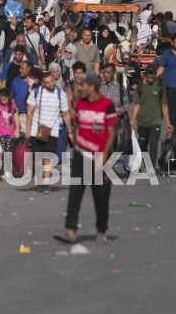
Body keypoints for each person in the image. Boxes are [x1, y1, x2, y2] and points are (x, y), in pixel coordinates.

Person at [55, 74, 118, 245]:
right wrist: (75, 149)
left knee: (101, 196)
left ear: (92, 87)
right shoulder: (81, 104)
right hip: (81, 156)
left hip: (100, 158)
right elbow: (77, 127)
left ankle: (101, 231)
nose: (80, 88)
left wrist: (104, 157)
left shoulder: (107, 106)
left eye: (83, 85)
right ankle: (70, 230)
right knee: (75, 194)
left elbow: (112, 133)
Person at [25, 71, 72, 192]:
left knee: (48, 156)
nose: (51, 84)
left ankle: (46, 183)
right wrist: (28, 130)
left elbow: (66, 114)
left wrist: (70, 131)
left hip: (53, 130)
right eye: (48, 82)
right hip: (36, 130)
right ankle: (40, 177)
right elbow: (29, 112)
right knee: (37, 157)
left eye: (52, 81)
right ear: (42, 83)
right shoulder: (36, 93)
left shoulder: (60, 94)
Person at [130, 64, 171, 173]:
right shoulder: (140, 86)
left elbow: (164, 105)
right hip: (142, 121)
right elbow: (137, 104)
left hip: (155, 121)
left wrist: (168, 123)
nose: (150, 80)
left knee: (153, 144)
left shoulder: (160, 86)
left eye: (152, 78)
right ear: (145, 75)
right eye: (148, 77)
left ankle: (150, 167)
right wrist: (132, 120)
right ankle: (146, 164)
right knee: (143, 145)